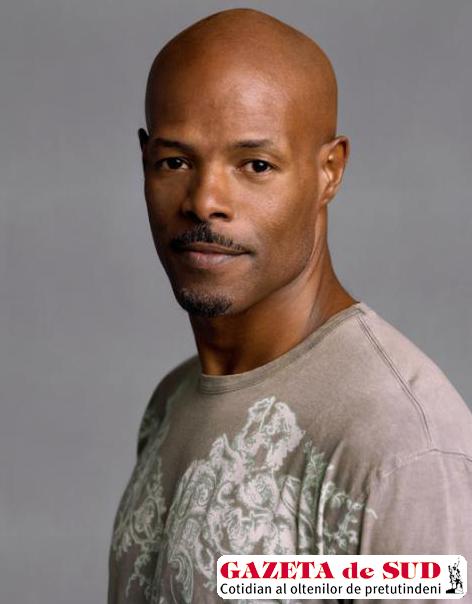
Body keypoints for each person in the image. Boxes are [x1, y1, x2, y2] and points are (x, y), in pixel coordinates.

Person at [107, 8, 472, 604]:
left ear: (329, 172)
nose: (204, 201)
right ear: (145, 162)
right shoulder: (170, 402)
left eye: (255, 165)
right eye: (176, 162)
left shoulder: (398, 444)